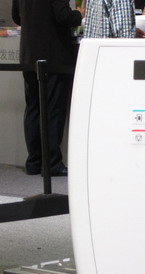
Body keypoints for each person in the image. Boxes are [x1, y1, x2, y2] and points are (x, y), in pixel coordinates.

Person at [11, 0, 84, 176]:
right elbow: (63, 16)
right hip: (53, 56)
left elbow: (16, 16)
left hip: (29, 55)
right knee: (53, 111)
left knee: (33, 108)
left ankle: (34, 161)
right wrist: (79, 14)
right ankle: (51, 163)